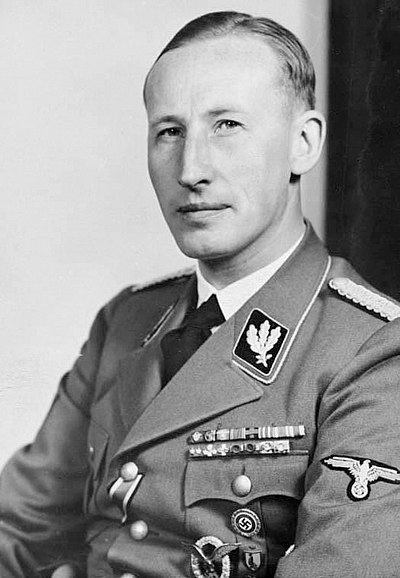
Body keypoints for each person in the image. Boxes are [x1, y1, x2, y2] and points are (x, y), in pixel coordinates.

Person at [1, 10, 400, 578]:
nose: (191, 170)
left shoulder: (373, 352)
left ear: (304, 143)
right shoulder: (126, 321)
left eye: (227, 125)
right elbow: (17, 530)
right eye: (169, 132)